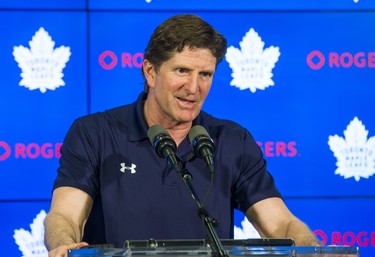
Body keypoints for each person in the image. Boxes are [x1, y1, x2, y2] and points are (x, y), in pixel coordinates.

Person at [44, 14, 320, 257]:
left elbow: (281, 223)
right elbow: (65, 215)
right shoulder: (95, 133)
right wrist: (64, 244)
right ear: (151, 72)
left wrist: (309, 248)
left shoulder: (232, 140)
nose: (194, 87)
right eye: (182, 71)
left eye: (205, 74)